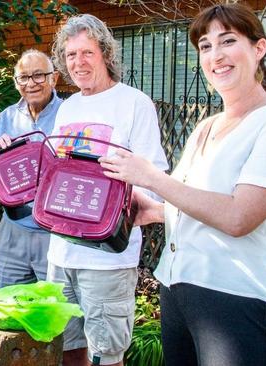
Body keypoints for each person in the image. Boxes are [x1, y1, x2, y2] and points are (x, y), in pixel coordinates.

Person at [99, 4, 266, 366]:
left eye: (228, 41)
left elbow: (238, 216)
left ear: (259, 48)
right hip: (178, 290)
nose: (215, 55)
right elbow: (196, 204)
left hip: (241, 299)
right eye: (205, 46)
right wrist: (153, 209)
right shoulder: (206, 126)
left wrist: (152, 177)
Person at [47, 14, 169, 366]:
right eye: (70, 55)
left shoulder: (134, 103)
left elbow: (155, 176)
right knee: (66, 351)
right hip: (60, 253)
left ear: (105, 53)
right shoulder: (67, 107)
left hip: (107, 258)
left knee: (106, 356)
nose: (78, 63)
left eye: (86, 53)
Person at [0, 49, 63, 288]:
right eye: (24, 77)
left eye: (39, 75)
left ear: (54, 78)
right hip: (13, 228)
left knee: (55, 312)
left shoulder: (69, 114)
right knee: (10, 308)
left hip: (54, 233)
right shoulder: (7, 117)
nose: (31, 84)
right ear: (16, 82)